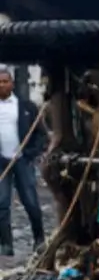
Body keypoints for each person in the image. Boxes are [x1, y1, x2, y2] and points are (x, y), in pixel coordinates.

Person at [0, 66, 45, 256]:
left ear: (12, 84)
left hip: (22, 161)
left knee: (31, 201)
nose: (2, 85)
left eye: (5, 81)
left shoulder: (27, 107)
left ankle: (39, 238)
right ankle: (6, 244)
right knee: (2, 204)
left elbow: (40, 135)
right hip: (1, 161)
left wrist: (30, 153)